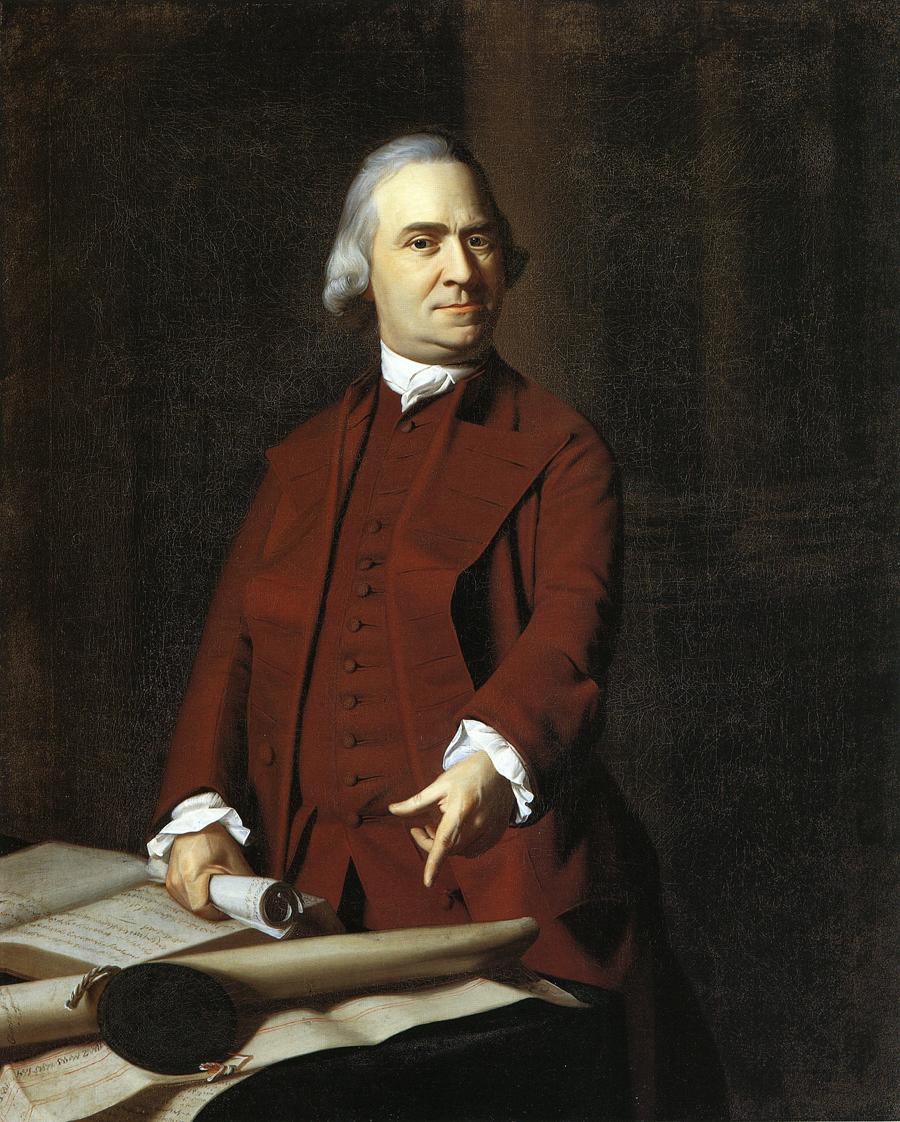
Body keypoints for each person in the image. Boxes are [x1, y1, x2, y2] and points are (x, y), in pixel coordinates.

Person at [149, 133, 638, 1116]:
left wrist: (491, 759)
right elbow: (230, 651)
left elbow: (570, 626)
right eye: (423, 242)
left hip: (499, 907)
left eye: (479, 240)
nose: (462, 270)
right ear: (362, 270)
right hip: (311, 897)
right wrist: (198, 808)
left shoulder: (563, 448)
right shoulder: (301, 460)